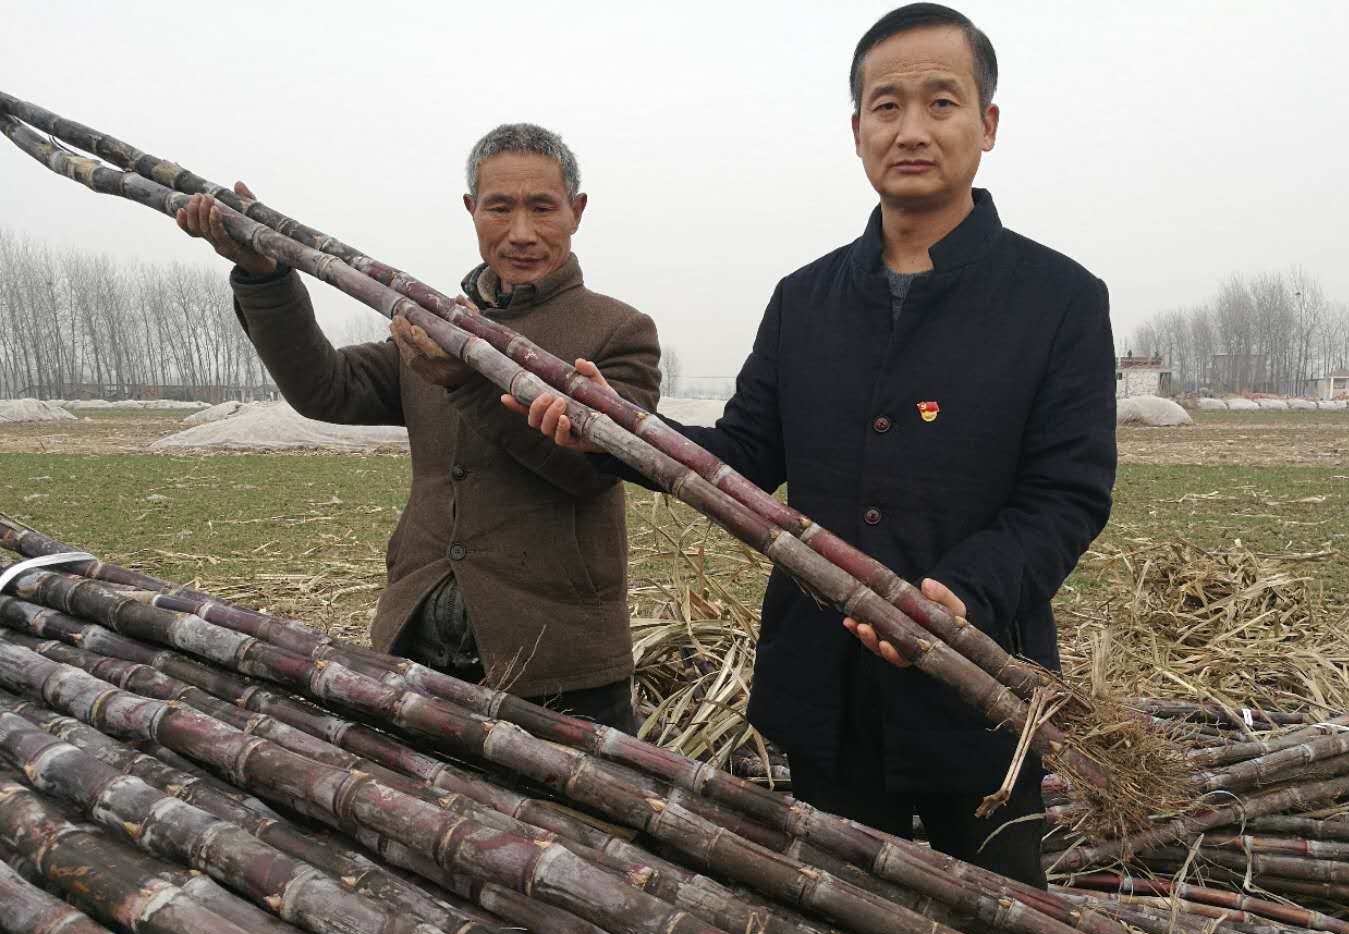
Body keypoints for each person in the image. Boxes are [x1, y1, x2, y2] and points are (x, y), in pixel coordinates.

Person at [514, 5, 1116, 885]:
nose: (911, 129)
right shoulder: (806, 299)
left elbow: (1067, 495)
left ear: (987, 125)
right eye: (885, 106)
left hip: (981, 694)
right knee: (835, 926)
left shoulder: (1059, 299)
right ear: (856, 130)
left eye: (940, 103)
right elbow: (742, 453)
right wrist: (615, 432)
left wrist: (965, 594)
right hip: (822, 687)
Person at [176, 123, 661, 733]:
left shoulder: (617, 333)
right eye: (499, 207)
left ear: (577, 211)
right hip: (413, 644)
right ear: (471, 210)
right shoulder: (434, 322)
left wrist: (465, 381)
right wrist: (264, 275)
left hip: (559, 664)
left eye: (542, 207)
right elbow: (325, 387)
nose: (521, 232)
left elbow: (590, 472)